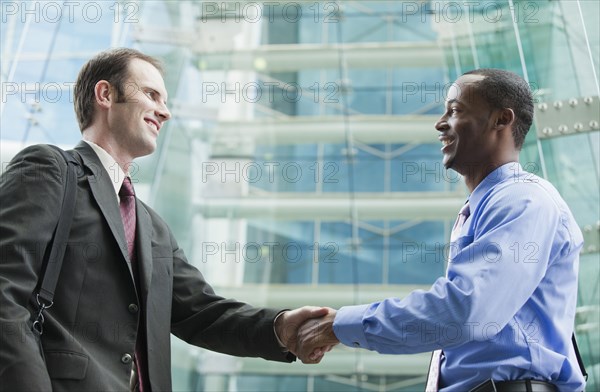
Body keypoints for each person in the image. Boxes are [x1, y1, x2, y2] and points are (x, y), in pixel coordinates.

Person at [0, 48, 325, 391]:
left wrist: (282, 327)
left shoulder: (152, 227)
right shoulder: (50, 169)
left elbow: (202, 313)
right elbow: (5, 290)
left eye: (165, 100)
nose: (165, 112)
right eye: (152, 94)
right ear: (106, 94)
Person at [295, 69, 586, 391]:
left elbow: (467, 311)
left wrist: (339, 325)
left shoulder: (522, 199)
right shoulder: (487, 206)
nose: (440, 123)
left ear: (501, 120)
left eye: (456, 110)